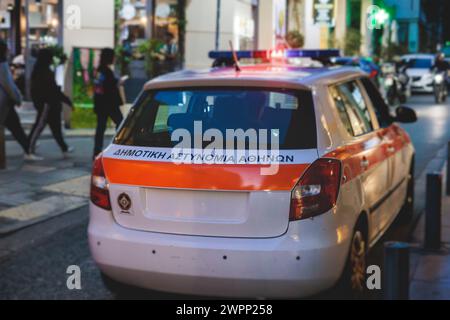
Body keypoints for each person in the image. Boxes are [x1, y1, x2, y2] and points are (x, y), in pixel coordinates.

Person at [28, 48, 74, 158]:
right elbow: (52, 89)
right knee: (41, 126)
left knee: (53, 127)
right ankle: (28, 149)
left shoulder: (40, 70)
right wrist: (67, 101)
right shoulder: (44, 71)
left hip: (48, 103)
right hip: (47, 104)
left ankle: (64, 148)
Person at [0, 39, 41, 161]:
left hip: (4, 105)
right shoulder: (2, 64)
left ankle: (27, 146)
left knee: (16, 127)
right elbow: (9, 85)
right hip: (3, 104)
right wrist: (18, 98)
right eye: (6, 48)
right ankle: (28, 149)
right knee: (16, 127)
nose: (8, 51)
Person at [93, 48, 124, 158]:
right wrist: (118, 82)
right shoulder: (107, 71)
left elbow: (98, 87)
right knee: (121, 124)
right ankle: (119, 148)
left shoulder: (99, 70)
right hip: (109, 104)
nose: (114, 58)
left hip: (100, 103)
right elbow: (110, 88)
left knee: (100, 127)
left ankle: (96, 152)